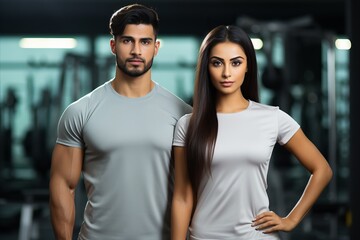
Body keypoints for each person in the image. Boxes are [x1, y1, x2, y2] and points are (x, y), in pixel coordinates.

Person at [171, 25, 333, 240]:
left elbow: (322, 169)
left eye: (236, 63)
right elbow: (182, 197)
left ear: (248, 66)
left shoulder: (272, 118)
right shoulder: (187, 125)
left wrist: (291, 219)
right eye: (217, 63)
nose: (226, 72)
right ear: (206, 67)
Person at [49, 4, 192, 240]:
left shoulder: (183, 115)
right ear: (113, 45)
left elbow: (190, 192)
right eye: (127, 41)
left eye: (145, 42)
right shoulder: (80, 111)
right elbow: (63, 186)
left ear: (156, 47)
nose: (136, 50)